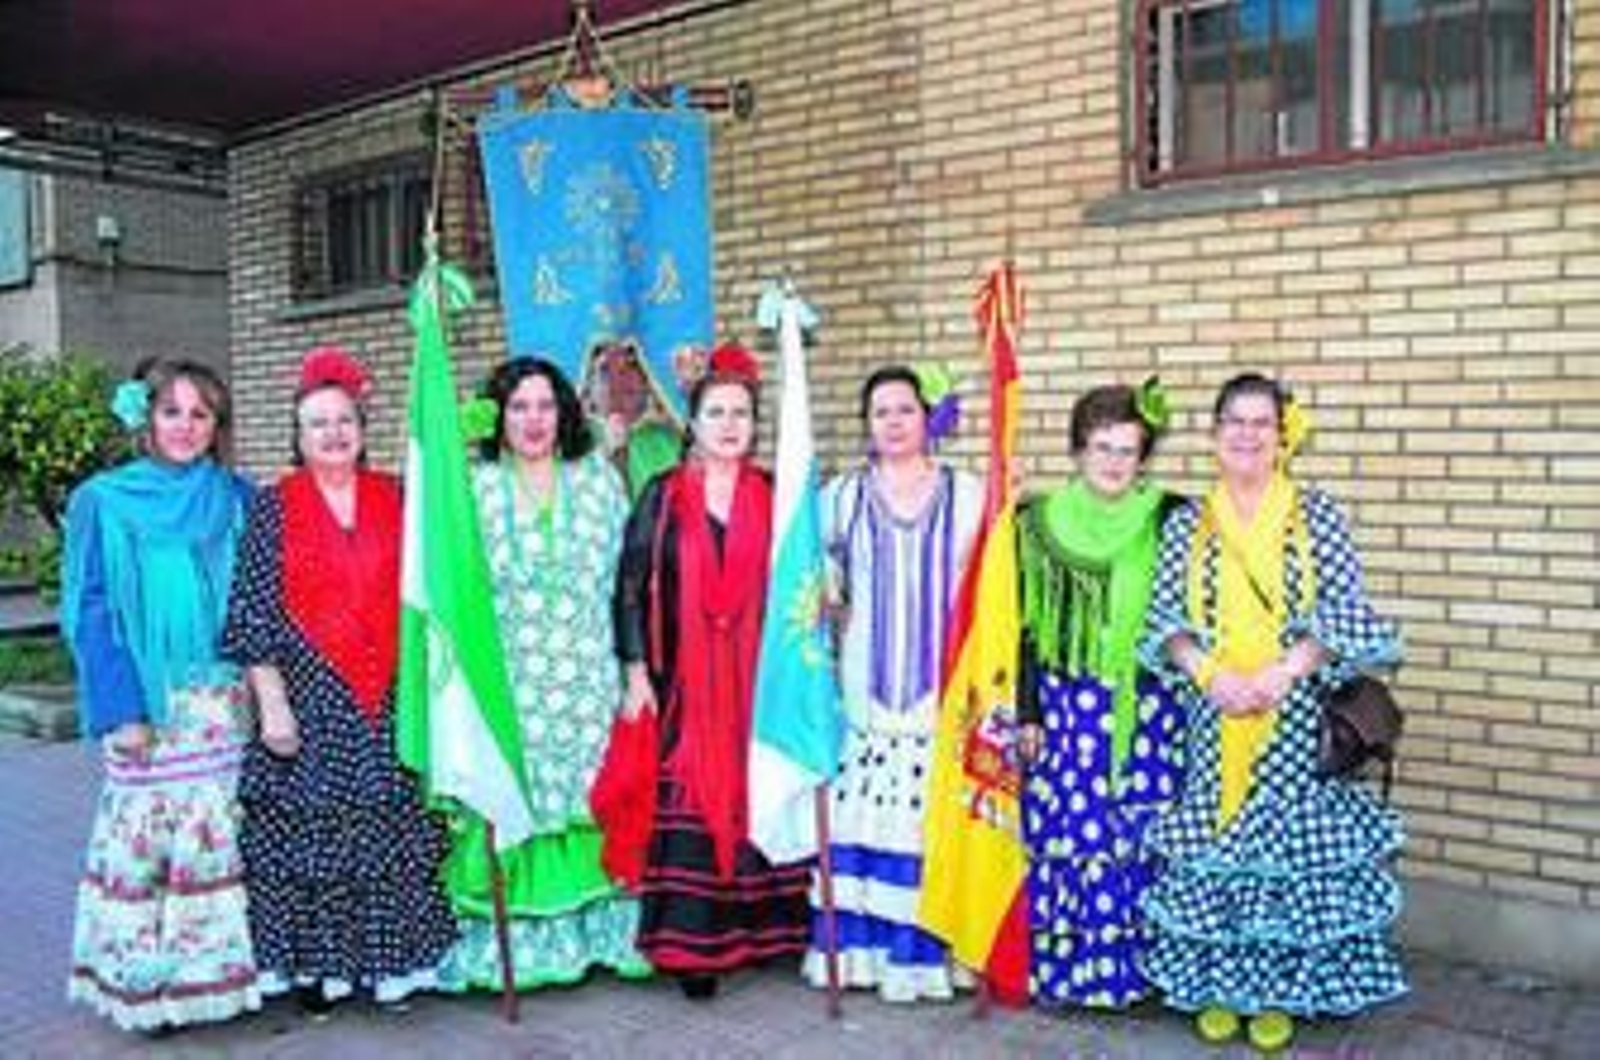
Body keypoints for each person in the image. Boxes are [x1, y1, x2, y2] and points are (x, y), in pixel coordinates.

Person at [1139, 373, 1405, 1052]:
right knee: (1222, 851)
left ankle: (1279, 993)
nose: (1248, 434)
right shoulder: (1187, 523)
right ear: (1214, 433)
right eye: (1235, 421)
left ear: (1283, 435)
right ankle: (1222, 987)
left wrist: (1283, 673)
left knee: (1280, 856)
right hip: (1216, 710)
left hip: (1292, 710)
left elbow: (1344, 608)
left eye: (1263, 422)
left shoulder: (1317, 513)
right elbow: (1166, 618)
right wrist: (1210, 675)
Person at [222, 346, 454, 1014]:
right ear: (298, 437)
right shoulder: (275, 507)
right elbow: (252, 612)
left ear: (362, 426)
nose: (333, 433)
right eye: (317, 423)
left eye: (344, 420)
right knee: (313, 840)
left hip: (386, 699)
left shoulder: (398, 497)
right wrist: (273, 706)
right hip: (307, 700)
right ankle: (320, 969)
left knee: (385, 834)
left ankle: (391, 965)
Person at [62, 357, 261, 1032]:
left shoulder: (239, 498)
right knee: (149, 850)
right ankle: (148, 992)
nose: (185, 426)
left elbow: (265, 602)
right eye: (171, 411)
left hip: (225, 706)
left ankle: (216, 983)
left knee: (219, 844)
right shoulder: (103, 500)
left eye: (200, 414)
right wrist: (120, 710)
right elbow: (87, 612)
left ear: (217, 426)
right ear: (145, 418)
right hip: (148, 708)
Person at [437, 357, 649, 988]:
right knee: (526, 800)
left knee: (591, 798)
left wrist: (634, 668)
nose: (533, 420)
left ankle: (603, 936)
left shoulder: (599, 482)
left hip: (588, 679)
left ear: (565, 414)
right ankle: (530, 947)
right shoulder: (475, 488)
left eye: (546, 406)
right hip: (512, 683)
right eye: (519, 406)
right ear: (498, 416)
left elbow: (629, 582)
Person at [613, 344, 810, 999]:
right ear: (692, 423)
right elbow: (631, 586)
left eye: (742, 414)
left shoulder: (776, 497)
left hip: (760, 682)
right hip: (684, 688)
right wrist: (636, 666)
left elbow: (800, 585)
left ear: (756, 426)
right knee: (691, 803)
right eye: (716, 412)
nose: (730, 424)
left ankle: (763, 936)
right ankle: (694, 951)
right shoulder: (662, 496)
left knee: (757, 792)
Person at [801, 365, 982, 1003]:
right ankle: (864, 960)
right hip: (865, 696)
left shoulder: (970, 494)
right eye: (881, 412)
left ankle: (933, 959)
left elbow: (991, 587)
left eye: (905, 409)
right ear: (867, 424)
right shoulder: (842, 498)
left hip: (943, 695)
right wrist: (824, 600)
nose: (894, 422)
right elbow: (813, 578)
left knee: (929, 829)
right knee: (869, 824)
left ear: (927, 416)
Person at [1015, 381, 1184, 1010]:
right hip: (1065, 709)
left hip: (1144, 709)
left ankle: (1135, 973)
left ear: (1144, 458)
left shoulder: (1171, 517)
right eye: (1101, 447)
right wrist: (1027, 709)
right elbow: (1026, 626)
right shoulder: (1036, 522)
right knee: (1073, 838)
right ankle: (1067, 970)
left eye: (1128, 450)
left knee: (1132, 836)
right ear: (1078, 451)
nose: (1114, 462)